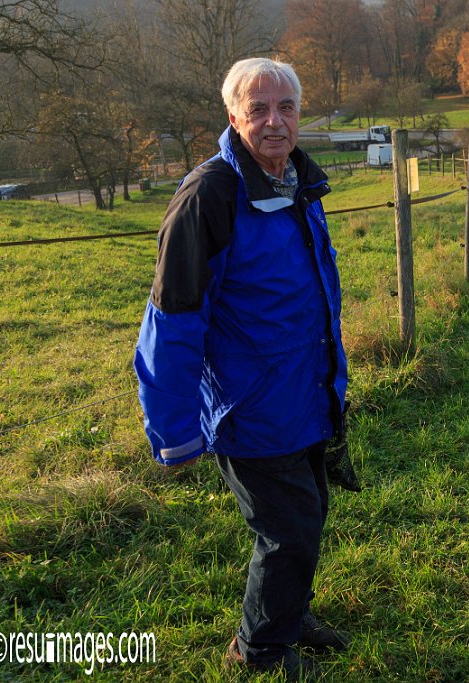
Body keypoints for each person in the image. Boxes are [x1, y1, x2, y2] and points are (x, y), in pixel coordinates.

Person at [134, 57, 349, 679]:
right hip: (251, 408)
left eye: (286, 108)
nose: (274, 122)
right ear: (233, 116)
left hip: (307, 395)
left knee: (310, 515)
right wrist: (175, 432)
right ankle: (259, 649)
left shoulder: (298, 183)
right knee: (289, 531)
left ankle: (289, 613)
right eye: (258, 110)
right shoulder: (211, 196)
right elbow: (171, 324)